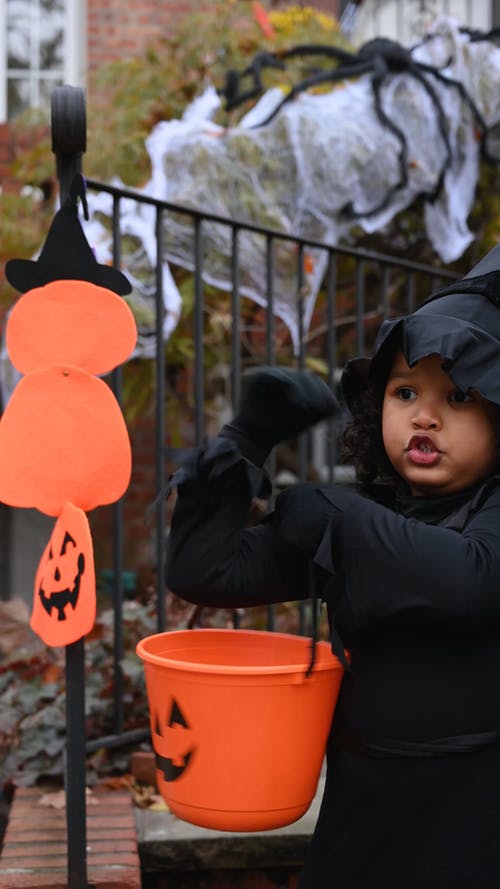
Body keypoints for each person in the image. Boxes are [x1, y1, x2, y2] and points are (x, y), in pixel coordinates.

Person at [165, 244, 500, 889]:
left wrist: (332, 516)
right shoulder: (363, 520)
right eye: (406, 391)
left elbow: (469, 580)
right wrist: (246, 440)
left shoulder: (481, 513)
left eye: (459, 395)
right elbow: (205, 572)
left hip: (477, 822)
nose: (425, 415)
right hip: (363, 824)